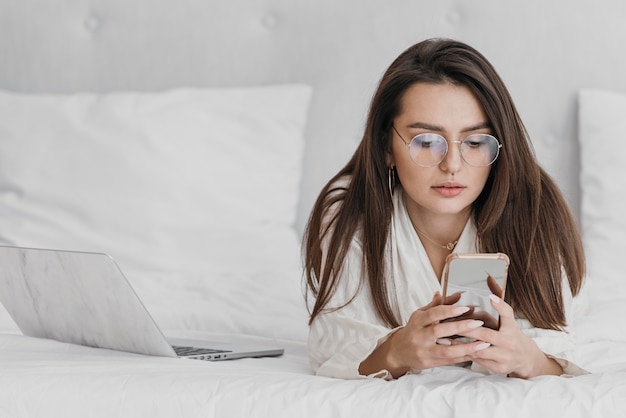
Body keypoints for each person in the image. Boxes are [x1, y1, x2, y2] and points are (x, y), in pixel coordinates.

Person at [303, 38, 586, 380]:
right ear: (386, 147)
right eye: (426, 142)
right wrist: (396, 351)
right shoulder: (348, 213)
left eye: (476, 142)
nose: (452, 165)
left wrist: (527, 358)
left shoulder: (538, 214)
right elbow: (329, 349)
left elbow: (567, 354)